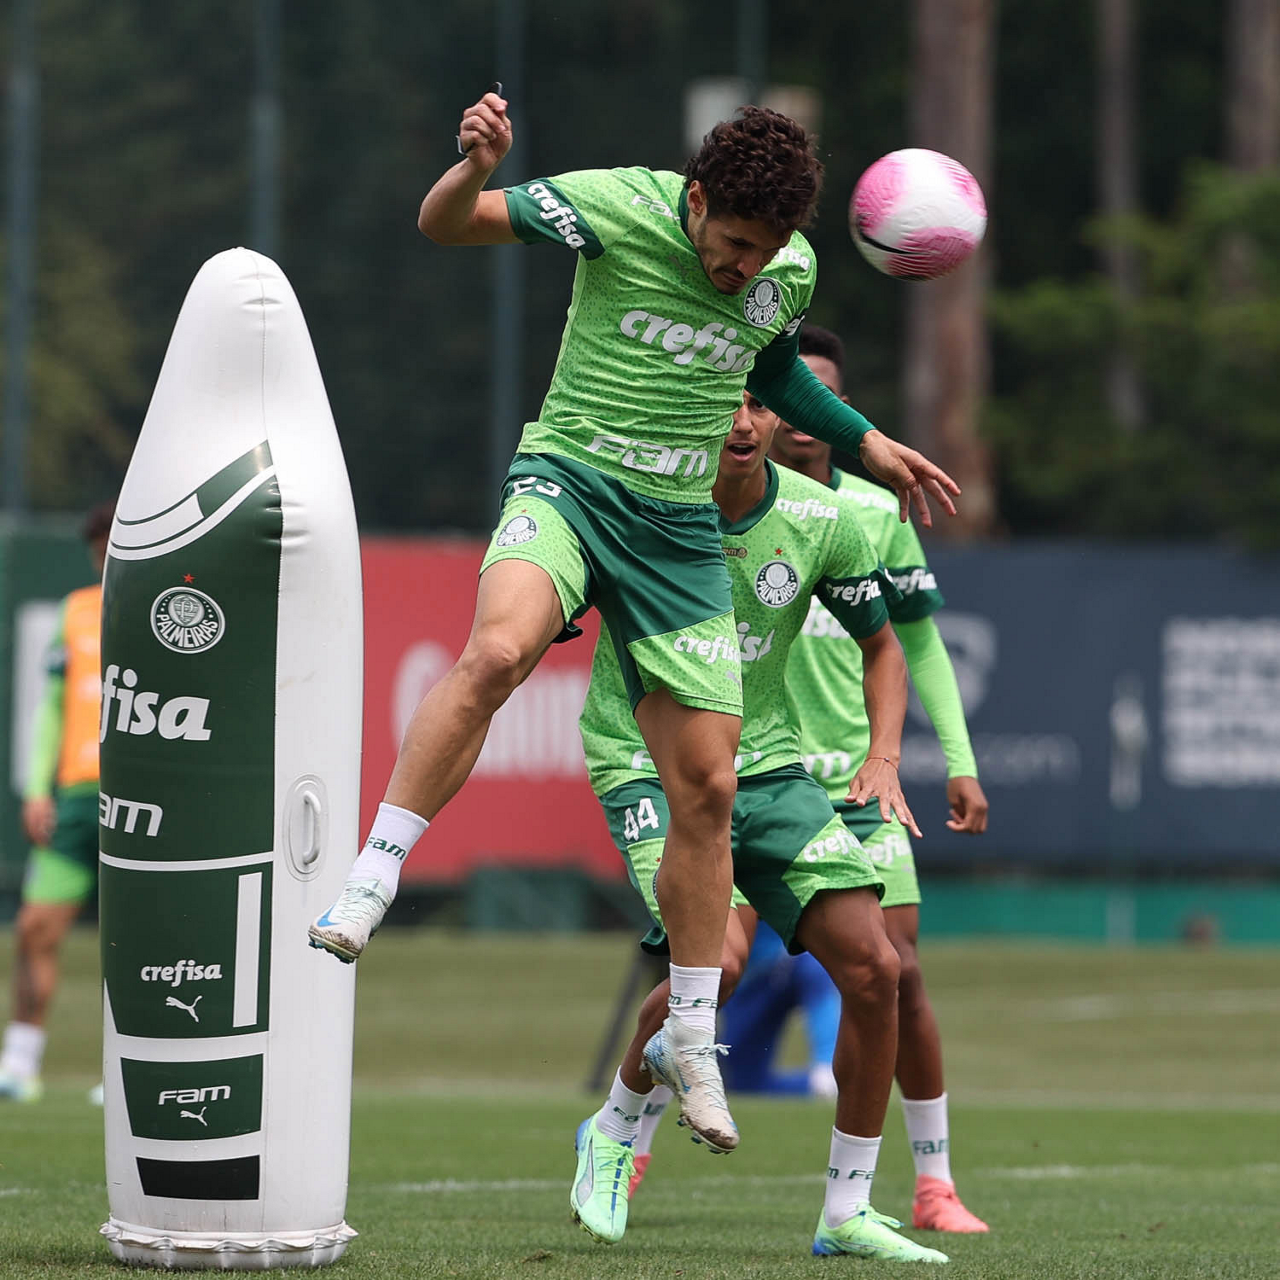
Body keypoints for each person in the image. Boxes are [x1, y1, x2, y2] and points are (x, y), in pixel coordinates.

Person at [308, 89, 959, 1150]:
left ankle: (691, 1035)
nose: (745, 266)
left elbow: (771, 366)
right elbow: (446, 225)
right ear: (695, 201)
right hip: (571, 481)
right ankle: (372, 877)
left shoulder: (785, 269)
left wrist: (864, 440)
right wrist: (472, 168)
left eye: (765, 251)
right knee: (498, 650)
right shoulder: (614, 205)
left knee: (708, 782)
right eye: (733, 242)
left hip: (675, 526)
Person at [568, 391, 948, 1263]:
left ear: (780, 418)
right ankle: (614, 1131)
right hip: (647, 759)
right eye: (724, 404)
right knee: (724, 964)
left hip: (767, 765)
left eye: (758, 405)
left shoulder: (821, 519)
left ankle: (846, 1211)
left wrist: (885, 753)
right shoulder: (640, 503)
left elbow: (884, 647)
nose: (741, 423)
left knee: (877, 969)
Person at [772, 324, 989, 1233]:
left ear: (842, 409)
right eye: (791, 393)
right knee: (712, 973)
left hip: (863, 788)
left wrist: (960, 761)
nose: (804, 415)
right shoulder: (729, 499)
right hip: (761, 781)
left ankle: (934, 1186)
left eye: (824, 396)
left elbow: (919, 643)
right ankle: (627, 1142)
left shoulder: (875, 510)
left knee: (897, 977)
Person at [0, 502, 113, 1103]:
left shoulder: (168, 612)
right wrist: (38, 788)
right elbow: (51, 708)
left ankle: (126, 1070)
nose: (104, 560)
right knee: (35, 926)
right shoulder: (75, 611)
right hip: (73, 797)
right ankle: (20, 1065)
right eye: (97, 551)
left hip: (138, 797)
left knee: (141, 941)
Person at [718, 916, 840, 1097]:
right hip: (742, 982)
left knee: (813, 966)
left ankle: (829, 1068)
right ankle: (815, 1084)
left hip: (788, 960)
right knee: (743, 1083)